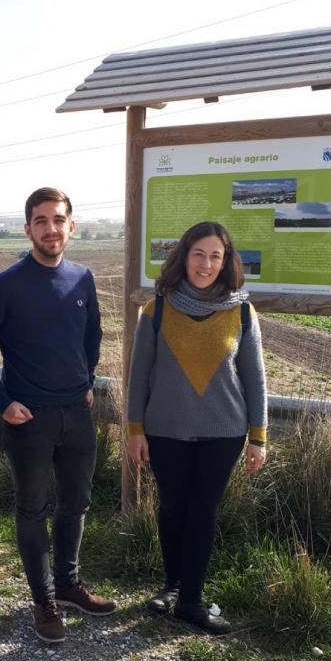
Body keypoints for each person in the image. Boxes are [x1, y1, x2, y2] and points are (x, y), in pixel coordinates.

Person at [0, 187, 116, 644]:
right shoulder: (7, 285)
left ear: (72, 226)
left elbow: (93, 333)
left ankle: (69, 585)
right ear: (27, 228)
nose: (51, 229)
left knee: (77, 503)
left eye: (58, 220)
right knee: (33, 509)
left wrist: (86, 379)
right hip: (27, 420)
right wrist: (2, 401)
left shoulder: (82, 278)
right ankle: (44, 600)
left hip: (78, 415)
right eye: (41, 221)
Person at [126, 221, 267, 634]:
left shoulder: (242, 311)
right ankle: (171, 587)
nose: (206, 264)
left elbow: (255, 379)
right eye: (198, 254)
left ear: (226, 263)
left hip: (223, 432)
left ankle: (191, 601)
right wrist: (135, 430)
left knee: (203, 513)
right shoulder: (159, 309)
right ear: (184, 257)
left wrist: (258, 437)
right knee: (172, 509)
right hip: (165, 429)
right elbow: (139, 377)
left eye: (215, 256)